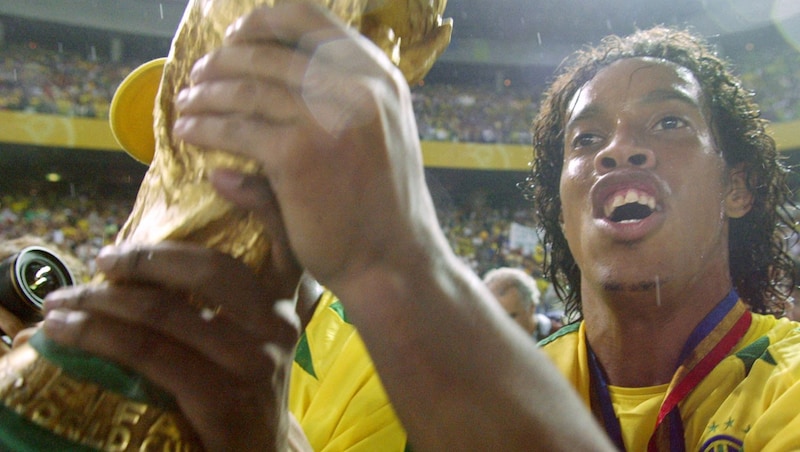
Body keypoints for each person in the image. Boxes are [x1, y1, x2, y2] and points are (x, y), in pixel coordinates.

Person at [37, 4, 800, 451]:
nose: (619, 148)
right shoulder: (484, 381)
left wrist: (391, 263)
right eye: (584, 139)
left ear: (738, 187)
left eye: (669, 122)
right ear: (557, 201)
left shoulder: (789, 383)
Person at [483, 266, 555, 340]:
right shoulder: (487, 345)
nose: (501, 326)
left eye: (510, 317)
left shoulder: (559, 337)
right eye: (493, 319)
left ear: (531, 307)